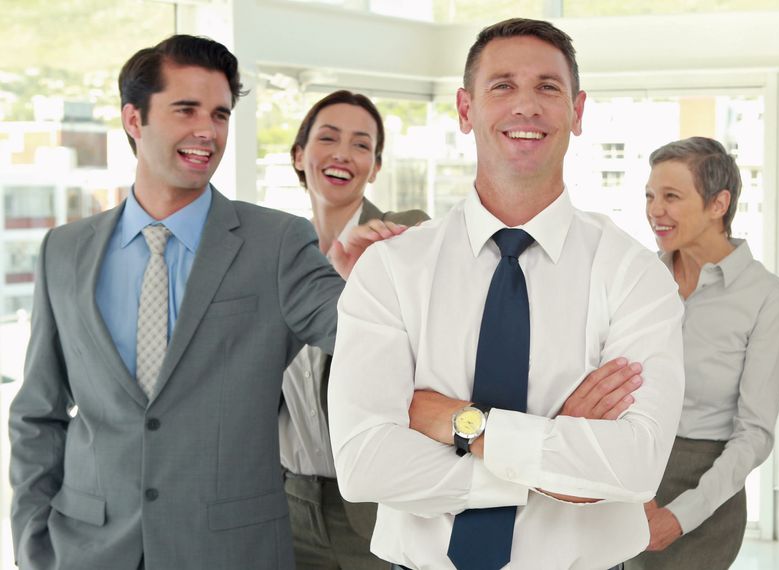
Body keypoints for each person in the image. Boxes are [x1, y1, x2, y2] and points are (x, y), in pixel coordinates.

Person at [327, 18, 685, 570]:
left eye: (548, 87)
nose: (526, 106)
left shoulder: (635, 275)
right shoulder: (392, 270)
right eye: (502, 86)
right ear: (465, 109)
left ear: (577, 112)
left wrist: (460, 423)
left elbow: (635, 466)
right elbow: (364, 465)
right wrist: (554, 465)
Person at [8, 35, 360, 569]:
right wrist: (32, 541)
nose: (207, 131)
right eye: (186, 109)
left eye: (220, 115)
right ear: (134, 119)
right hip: (86, 550)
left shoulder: (277, 243)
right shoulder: (65, 249)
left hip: (229, 552)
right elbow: (38, 411)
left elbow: (364, 338)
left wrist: (375, 282)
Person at [626, 137, 779, 569]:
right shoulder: (638, 279)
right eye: (649, 196)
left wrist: (680, 516)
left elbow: (754, 433)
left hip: (705, 493)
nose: (655, 210)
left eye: (671, 197)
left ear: (719, 204)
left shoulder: (768, 298)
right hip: (624, 479)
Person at [279, 89, 428, 569]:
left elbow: (439, 350)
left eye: (361, 144)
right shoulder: (276, 251)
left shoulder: (405, 235)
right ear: (299, 156)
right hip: (287, 503)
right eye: (328, 138)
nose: (343, 153)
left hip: (374, 506)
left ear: (375, 167)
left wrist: (362, 281)